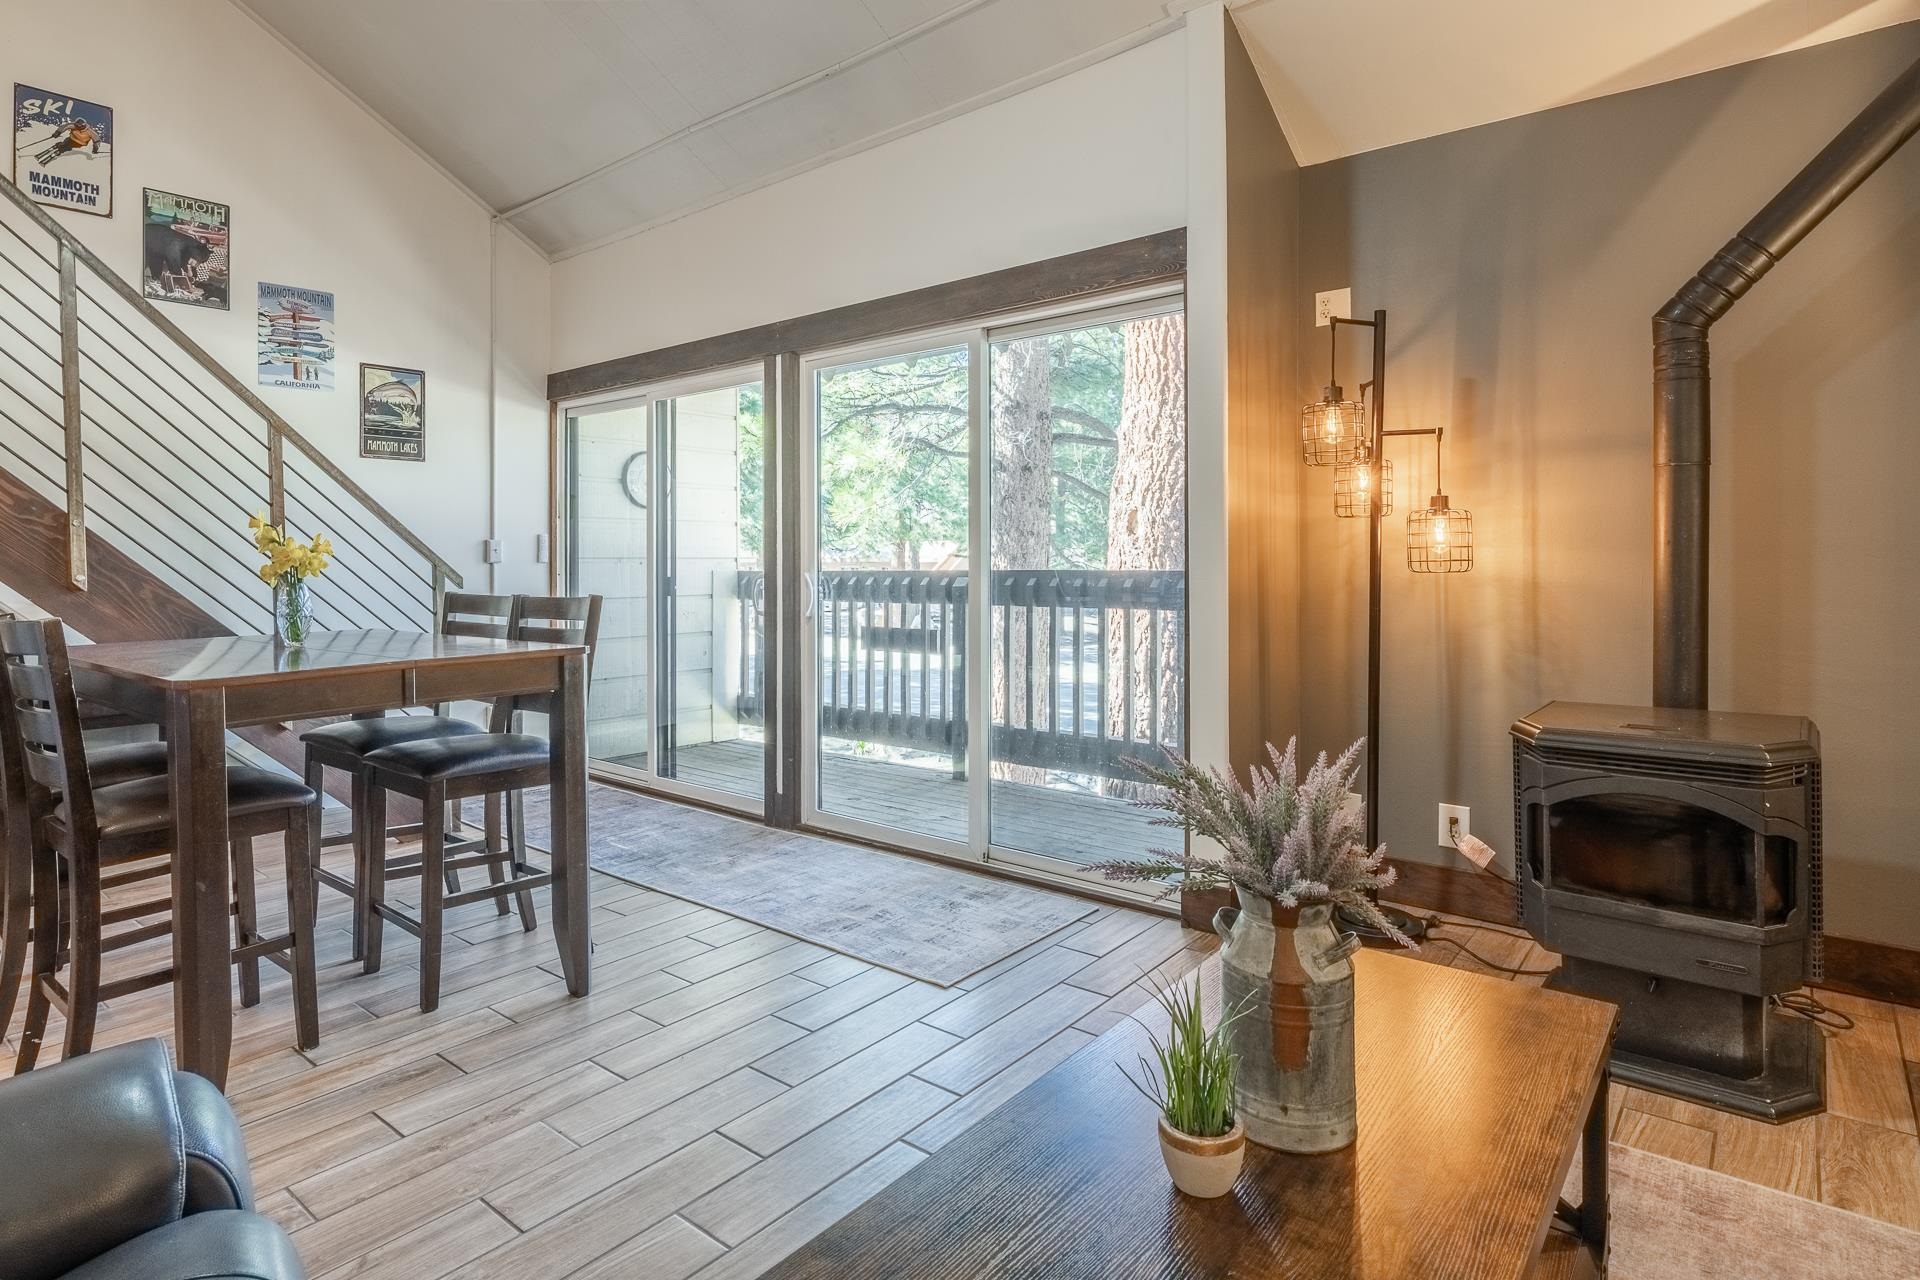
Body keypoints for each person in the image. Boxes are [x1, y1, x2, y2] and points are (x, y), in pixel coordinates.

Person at [35, 117, 100, 167]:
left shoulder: (89, 131)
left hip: (78, 143)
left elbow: (97, 140)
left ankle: (58, 151)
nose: (77, 127)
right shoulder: (74, 125)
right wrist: (57, 132)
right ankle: (55, 147)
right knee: (63, 143)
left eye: (79, 126)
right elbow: (65, 126)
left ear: (83, 125)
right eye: (77, 125)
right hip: (70, 139)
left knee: (66, 147)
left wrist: (95, 148)